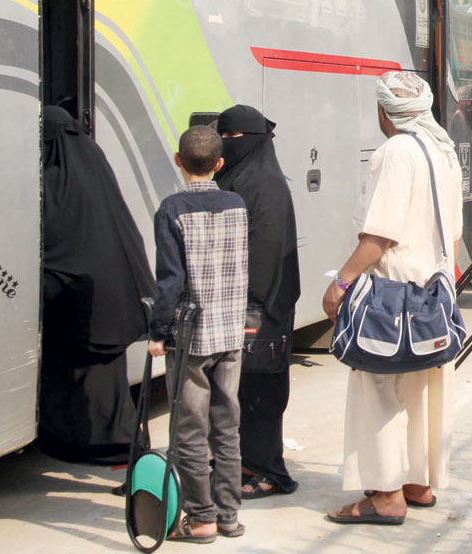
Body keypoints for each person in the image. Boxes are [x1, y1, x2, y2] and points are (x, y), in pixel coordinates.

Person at [322, 71, 462, 525]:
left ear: (385, 112)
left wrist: (341, 283)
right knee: (423, 387)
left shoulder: (396, 151)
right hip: (435, 284)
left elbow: (379, 234)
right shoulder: (441, 151)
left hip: (392, 291)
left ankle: (385, 496)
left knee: (379, 388)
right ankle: (417, 483)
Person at [38, 106, 156, 464]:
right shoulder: (93, 162)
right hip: (113, 290)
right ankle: (115, 440)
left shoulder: (55, 181)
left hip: (81, 297)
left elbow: (54, 239)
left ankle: (97, 444)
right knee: (106, 380)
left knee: (80, 379)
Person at [149, 125, 248, 542]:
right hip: (231, 331)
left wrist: (158, 330)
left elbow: (170, 279)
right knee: (227, 425)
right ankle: (229, 515)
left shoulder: (171, 210)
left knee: (190, 427)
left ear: (178, 160)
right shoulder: (237, 203)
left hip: (191, 335)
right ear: (220, 164)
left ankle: (202, 517)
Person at [214, 105, 301, 499]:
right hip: (255, 304)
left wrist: (248, 304)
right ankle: (246, 461)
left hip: (261, 306)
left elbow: (262, 250)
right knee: (245, 390)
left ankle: (268, 470)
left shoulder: (259, 185)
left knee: (260, 391)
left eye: (230, 140)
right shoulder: (247, 176)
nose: (226, 147)